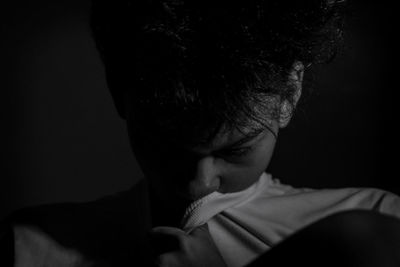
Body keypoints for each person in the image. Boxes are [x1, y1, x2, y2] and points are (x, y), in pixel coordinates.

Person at [1, 0, 400, 266]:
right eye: (167, 146)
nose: (198, 184)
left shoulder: (377, 221)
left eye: (236, 149)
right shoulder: (29, 246)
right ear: (117, 91)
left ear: (289, 93)